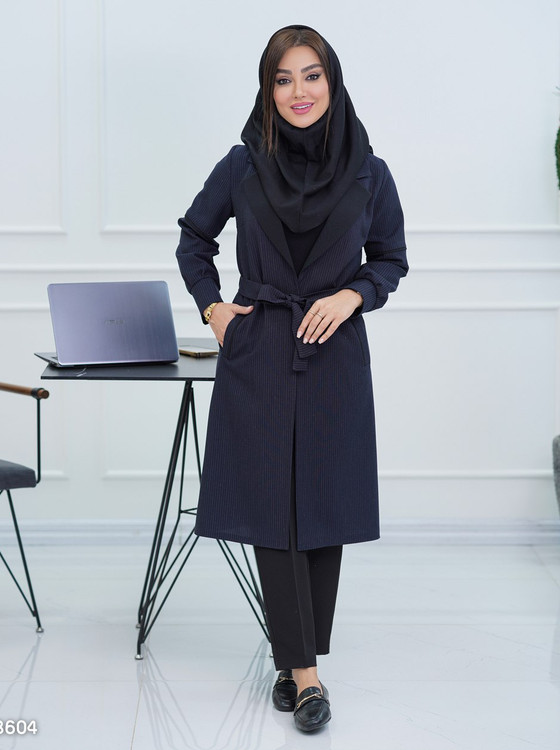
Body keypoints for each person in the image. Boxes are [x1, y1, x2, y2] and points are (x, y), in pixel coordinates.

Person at [176, 24, 408, 733]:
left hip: (334, 350)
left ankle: (289, 661)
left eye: (311, 76)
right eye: (283, 79)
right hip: (261, 348)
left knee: (324, 506)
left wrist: (352, 296)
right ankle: (307, 678)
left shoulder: (370, 172)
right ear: (267, 89)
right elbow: (194, 239)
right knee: (271, 507)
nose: (298, 91)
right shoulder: (242, 164)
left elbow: (390, 259)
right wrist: (214, 308)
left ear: (332, 82)